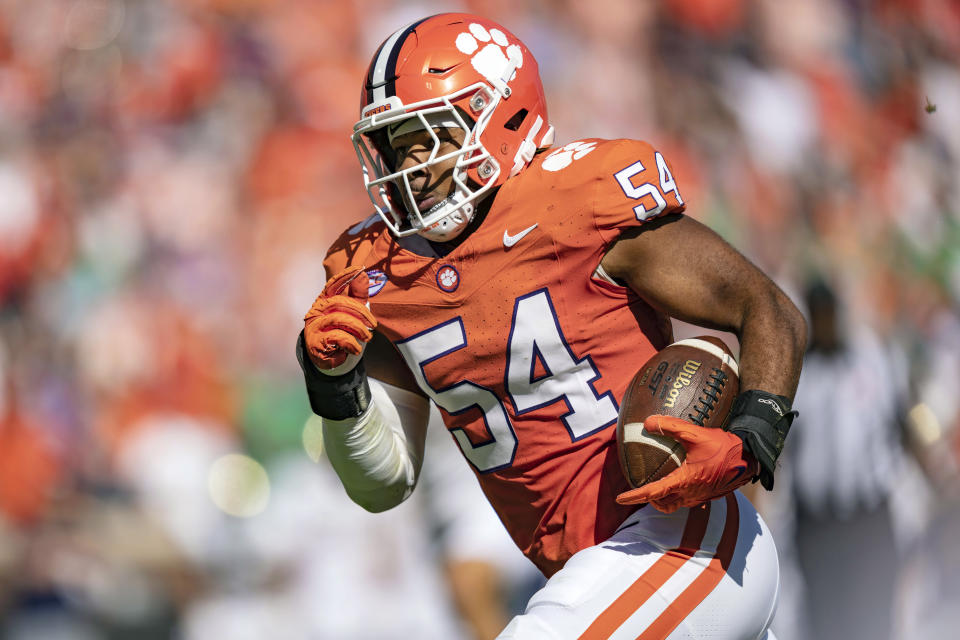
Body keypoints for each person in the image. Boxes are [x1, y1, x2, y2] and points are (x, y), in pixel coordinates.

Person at [297, 13, 806, 639]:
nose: (415, 166)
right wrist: (336, 387)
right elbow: (384, 484)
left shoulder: (577, 202)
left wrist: (752, 441)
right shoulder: (381, 276)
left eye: (433, 137)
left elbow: (768, 310)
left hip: (683, 538)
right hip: (589, 576)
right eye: (400, 145)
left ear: (504, 118)